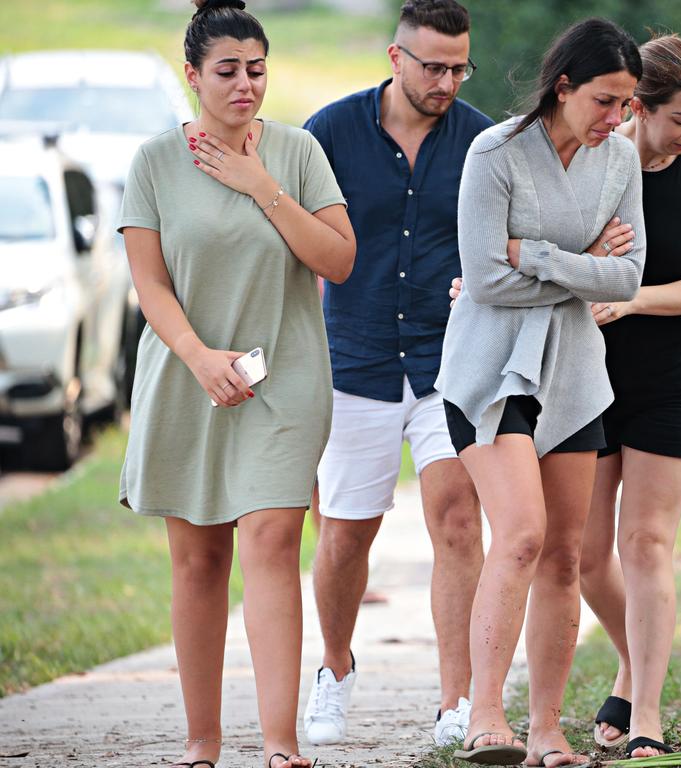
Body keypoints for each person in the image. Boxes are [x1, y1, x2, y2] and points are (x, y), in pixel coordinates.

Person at [117, 2, 356, 767]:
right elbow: (150, 287)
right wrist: (198, 356)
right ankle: (202, 743)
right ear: (192, 77)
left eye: (256, 69)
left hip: (284, 381)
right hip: (187, 377)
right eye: (227, 71)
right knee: (198, 563)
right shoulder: (154, 163)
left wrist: (262, 186)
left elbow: (339, 260)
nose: (245, 84)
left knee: (274, 540)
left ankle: (282, 746)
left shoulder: (298, 152)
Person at [435, 18, 646, 767]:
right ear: (564, 87)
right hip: (487, 374)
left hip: (575, 378)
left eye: (626, 104)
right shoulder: (494, 153)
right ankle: (484, 718)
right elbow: (484, 278)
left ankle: (548, 730)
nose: (617, 119)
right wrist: (580, 263)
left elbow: (627, 278)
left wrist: (546, 256)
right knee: (520, 534)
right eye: (605, 100)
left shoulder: (619, 159)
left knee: (563, 555)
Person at [300, 0, 492, 748]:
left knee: (455, 519)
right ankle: (336, 669)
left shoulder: (481, 140)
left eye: (458, 66)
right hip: (356, 359)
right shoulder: (330, 132)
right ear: (395, 57)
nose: (447, 80)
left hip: (452, 363)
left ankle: (456, 702)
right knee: (347, 534)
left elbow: (506, 236)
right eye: (433, 65)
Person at [584, 35, 681, 759]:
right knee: (586, 557)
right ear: (638, 109)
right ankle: (632, 658)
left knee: (646, 542)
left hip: (674, 378)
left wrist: (630, 299)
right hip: (583, 378)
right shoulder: (589, 159)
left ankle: (644, 709)